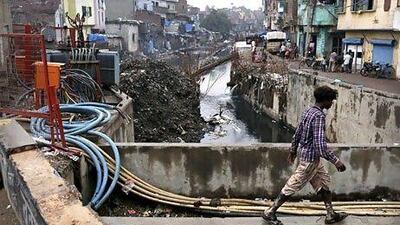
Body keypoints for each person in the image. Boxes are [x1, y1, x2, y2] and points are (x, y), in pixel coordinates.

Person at [262, 86, 348, 225]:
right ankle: (270, 212)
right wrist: (336, 161)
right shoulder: (319, 116)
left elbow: (298, 133)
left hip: (309, 157)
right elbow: (320, 146)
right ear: (325, 100)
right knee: (292, 185)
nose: (332, 103)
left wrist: (293, 150)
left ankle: (330, 214)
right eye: (331, 100)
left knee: (323, 183)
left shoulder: (308, 111)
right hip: (310, 161)